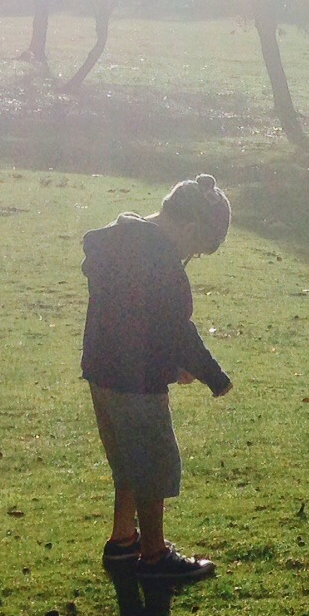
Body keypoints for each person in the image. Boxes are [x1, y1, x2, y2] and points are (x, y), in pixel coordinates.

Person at [81, 174, 234, 584]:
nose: (191, 258)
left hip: (101, 369)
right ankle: (153, 555)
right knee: (151, 463)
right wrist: (214, 376)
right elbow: (176, 330)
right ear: (187, 228)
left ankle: (122, 541)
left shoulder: (119, 241)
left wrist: (169, 361)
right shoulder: (159, 259)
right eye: (196, 249)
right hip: (136, 378)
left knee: (126, 462)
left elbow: (139, 317)